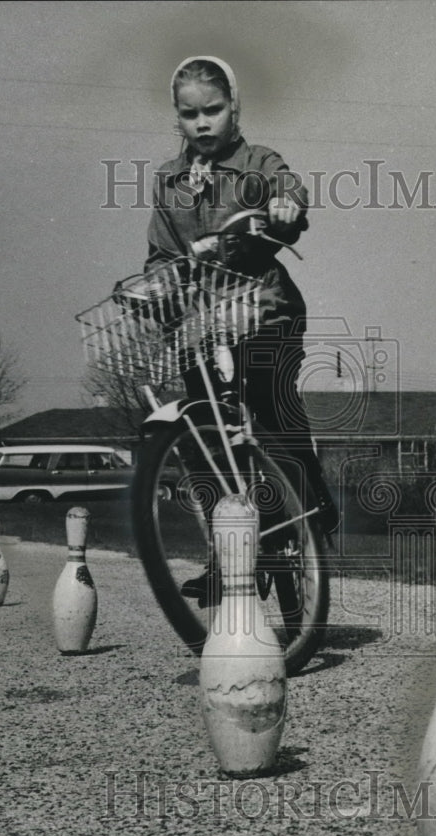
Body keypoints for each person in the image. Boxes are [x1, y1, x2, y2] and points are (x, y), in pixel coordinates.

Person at [138, 55, 337, 604]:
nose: (202, 123)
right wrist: (158, 285)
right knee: (204, 434)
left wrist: (283, 207)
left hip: (264, 308)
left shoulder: (257, 160)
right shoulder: (168, 180)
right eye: (189, 114)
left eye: (213, 110)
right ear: (176, 118)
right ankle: (227, 552)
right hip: (202, 321)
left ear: (234, 107)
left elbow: (291, 192)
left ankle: (309, 513)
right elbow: (160, 253)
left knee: (269, 405)